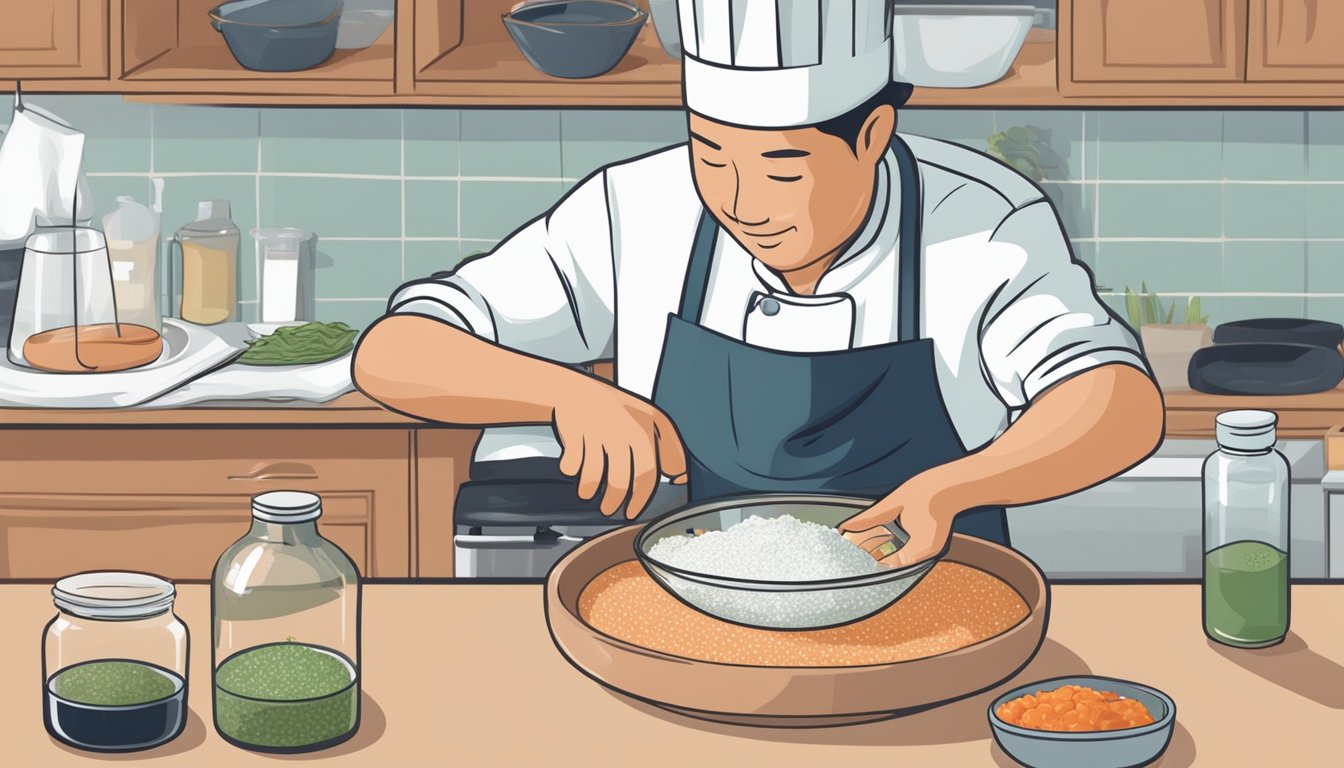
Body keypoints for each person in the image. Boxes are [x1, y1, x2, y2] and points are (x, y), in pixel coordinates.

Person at [353, 0, 1164, 567]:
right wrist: (567, 395)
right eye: (713, 155)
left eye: (783, 168)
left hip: (939, 603)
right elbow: (394, 351)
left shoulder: (976, 219)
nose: (739, 203)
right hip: (706, 607)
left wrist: (954, 489)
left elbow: (1117, 402)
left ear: (873, 134)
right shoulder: (638, 207)